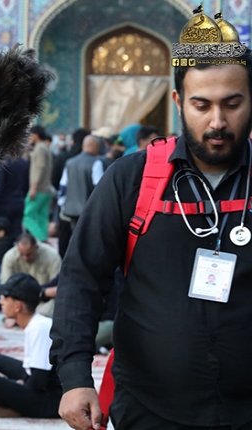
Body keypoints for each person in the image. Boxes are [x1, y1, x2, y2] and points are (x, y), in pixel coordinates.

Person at [50, 44, 252, 428]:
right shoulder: (132, 178)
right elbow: (81, 276)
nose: (217, 121)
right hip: (149, 408)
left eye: (232, 104)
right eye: (201, 105)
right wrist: (74, 375)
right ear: (178, 102)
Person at [0, 273, 61, 418]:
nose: (1, 302)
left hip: (52, 401)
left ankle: (16, 410)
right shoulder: (36, 324)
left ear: (18, 306)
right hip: (38, 383)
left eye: (5, 298)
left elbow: (38, 381)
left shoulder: (39, 328)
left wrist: (15, 384)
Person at [0, 232, 61, 317]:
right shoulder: (9, 257)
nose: (25, 257)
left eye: (28, 254)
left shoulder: (52, 256)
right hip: (20, 302)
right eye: (22, 254)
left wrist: (42, 292)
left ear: (36, 248)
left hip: (44, 301)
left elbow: (58, 286)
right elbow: (6, 287)